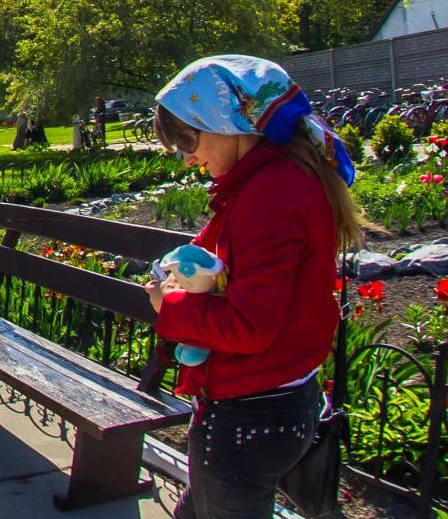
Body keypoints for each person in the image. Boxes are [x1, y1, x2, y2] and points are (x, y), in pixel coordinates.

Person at [144, 55, 363, 519]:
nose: (186, 157)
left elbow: (250, 325)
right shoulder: (270, 180)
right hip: (280, 398)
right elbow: (236, 256)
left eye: (188, 138)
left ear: (227, 120)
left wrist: (171, 307)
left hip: (249, 414)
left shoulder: (270, 193)